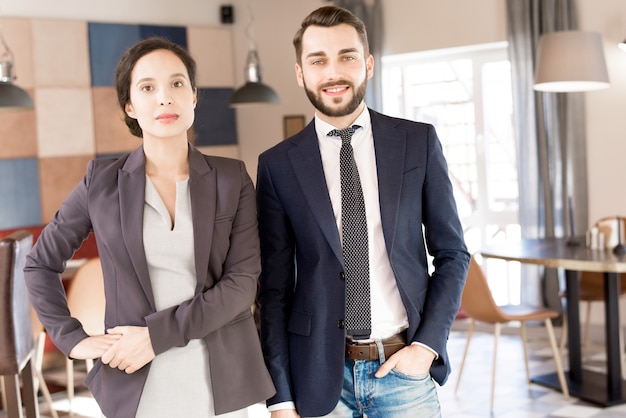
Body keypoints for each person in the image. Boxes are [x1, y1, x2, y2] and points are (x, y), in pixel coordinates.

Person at [24, 36, 275, 418]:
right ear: (130, 105)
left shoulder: (232, 177)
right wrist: (72, 339)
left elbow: (241, 284)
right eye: (147, 87)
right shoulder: (101, 181)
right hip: (135, 381)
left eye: (177, 84)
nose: (164, 98)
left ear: (193, 96)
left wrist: (156, 338)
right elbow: (39, 264)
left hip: (220, 381)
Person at [256, 6, 469, 418]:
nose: (333, 72)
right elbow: (274, 291)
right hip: (318, 381)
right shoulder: (277, 165)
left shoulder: (417, 142)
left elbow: (452, 254)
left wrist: (426, 348)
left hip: (404, 371)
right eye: (317, 60)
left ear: (368, 64)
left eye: (347, 56)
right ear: (300, 72)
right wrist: (280, 398)